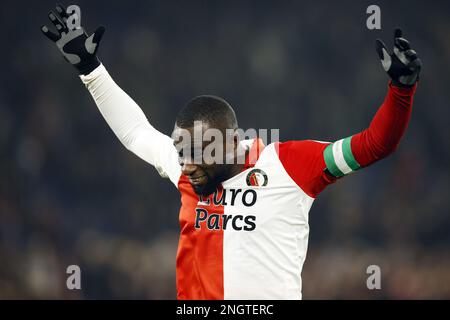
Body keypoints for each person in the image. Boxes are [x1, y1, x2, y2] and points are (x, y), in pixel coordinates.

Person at [41, 4, 422, 299]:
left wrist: (401, 90)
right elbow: (136, 131)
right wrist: (90, 69)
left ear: (229, 143)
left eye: (196, 156)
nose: (186, 167)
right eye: (181, 153)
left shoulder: (291, 164)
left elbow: (375, 144)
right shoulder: (188, 166)